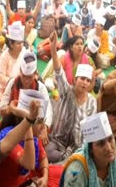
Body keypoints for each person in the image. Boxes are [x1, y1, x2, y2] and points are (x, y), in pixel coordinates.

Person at [45, 31, 97, 163]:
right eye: (82, 79)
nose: (85, 83)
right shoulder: (67, 91)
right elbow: (58, 71)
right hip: (58, 140)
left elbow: (90, 130)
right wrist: (52, 48)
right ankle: (66, 161)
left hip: (77, 145)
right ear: (74, 79)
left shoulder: (91, 102)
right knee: (48, 152)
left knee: (79, 158)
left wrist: (83, 149)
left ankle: (66, 161)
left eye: (87, 80)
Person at [61, 112, 116, 186]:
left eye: (110, 139)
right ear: (91, 149)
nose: (109, 148)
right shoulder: (77, 171)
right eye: (101, 144)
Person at [0, 52, 53, 145]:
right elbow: (1, 107)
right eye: (24, 76)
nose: (26, 80)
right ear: (20, 71)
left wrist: (45, 127)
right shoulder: (13, 83)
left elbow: (48, 110)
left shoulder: (40, 87)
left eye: (29, 77)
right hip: (13, 124)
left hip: (33, 129)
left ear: (35, 74)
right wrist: (11, 109)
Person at [0, 101, 51, 186]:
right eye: (39, 121)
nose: (43, 127)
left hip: (28, 180)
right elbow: (29, 165)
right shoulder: (8, 136)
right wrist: (27, 119)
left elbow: (43, 157)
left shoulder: (34, 136)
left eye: (44, 120)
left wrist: (45, 177)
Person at [0, 21, 26, 99]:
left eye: (22, 43)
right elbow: (0, 77)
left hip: (20, 87)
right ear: (11, 44)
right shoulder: (5, 56)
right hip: (2, 88)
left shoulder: (24, 53)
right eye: (18, 43)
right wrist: (13, 82)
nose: (21, 46)